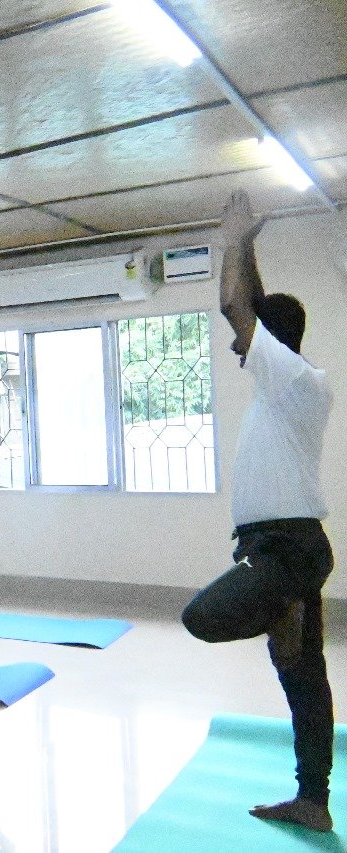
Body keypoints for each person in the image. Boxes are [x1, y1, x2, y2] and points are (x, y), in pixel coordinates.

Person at [181, 190, 335, 833]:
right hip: (280, 549)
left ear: (266, 341)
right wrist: (251, 252)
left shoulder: (293, 381)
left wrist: (234, 239)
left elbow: (233, 305)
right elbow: (256, 311)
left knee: (202, 617)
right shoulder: (286, 383)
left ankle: (281, 609)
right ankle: (313, 802)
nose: (234, 345)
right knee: (303, 679)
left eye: (247, 339)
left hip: (287, 550)